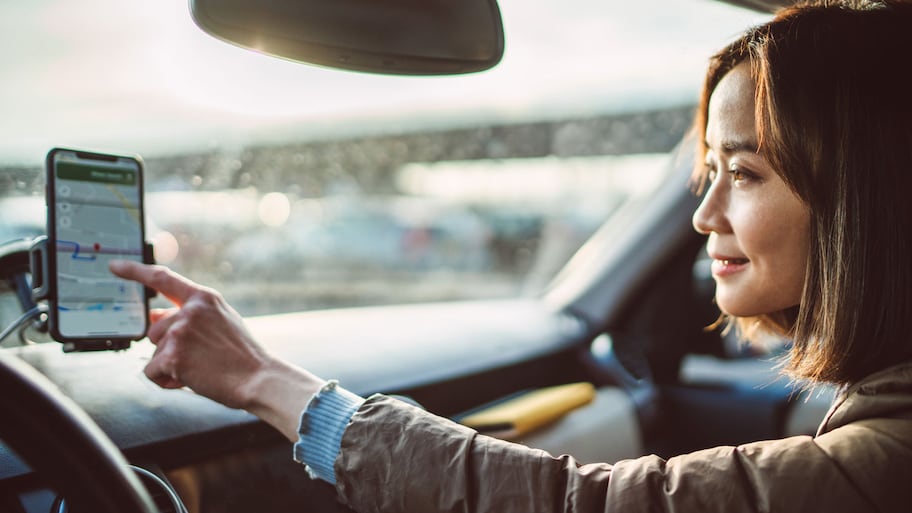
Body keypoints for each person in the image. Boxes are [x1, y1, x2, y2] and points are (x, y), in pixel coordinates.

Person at [110, 0, 912, 511]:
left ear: (863, 197)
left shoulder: (883, 460)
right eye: (709, 173)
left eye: (742, 173)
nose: (704, 214)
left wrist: (262, 379)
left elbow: (571, 505)